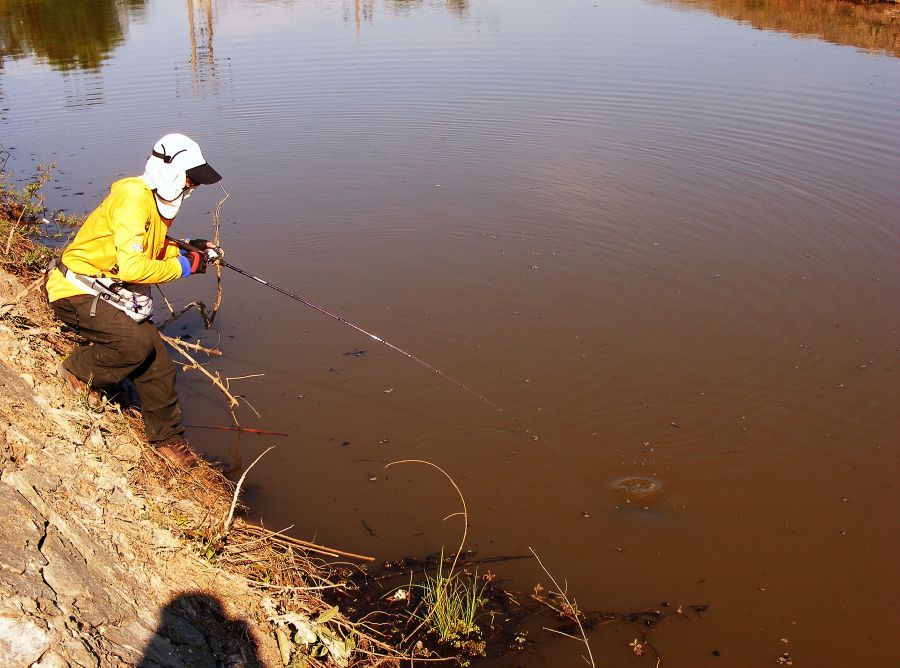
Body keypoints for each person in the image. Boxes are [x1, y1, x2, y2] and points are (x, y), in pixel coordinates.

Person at [45, 133, 222, 468]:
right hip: (75, 291)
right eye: (190, 178)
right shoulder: (132, 196)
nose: (193, 186)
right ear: (169, 170)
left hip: (107, 291)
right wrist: (186, 265)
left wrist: (187, 247)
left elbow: (145, 247)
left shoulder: (154, 204)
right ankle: (78, 369)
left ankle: (168, 439)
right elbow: (133, 267)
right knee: (135, 344)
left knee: (158, 361)